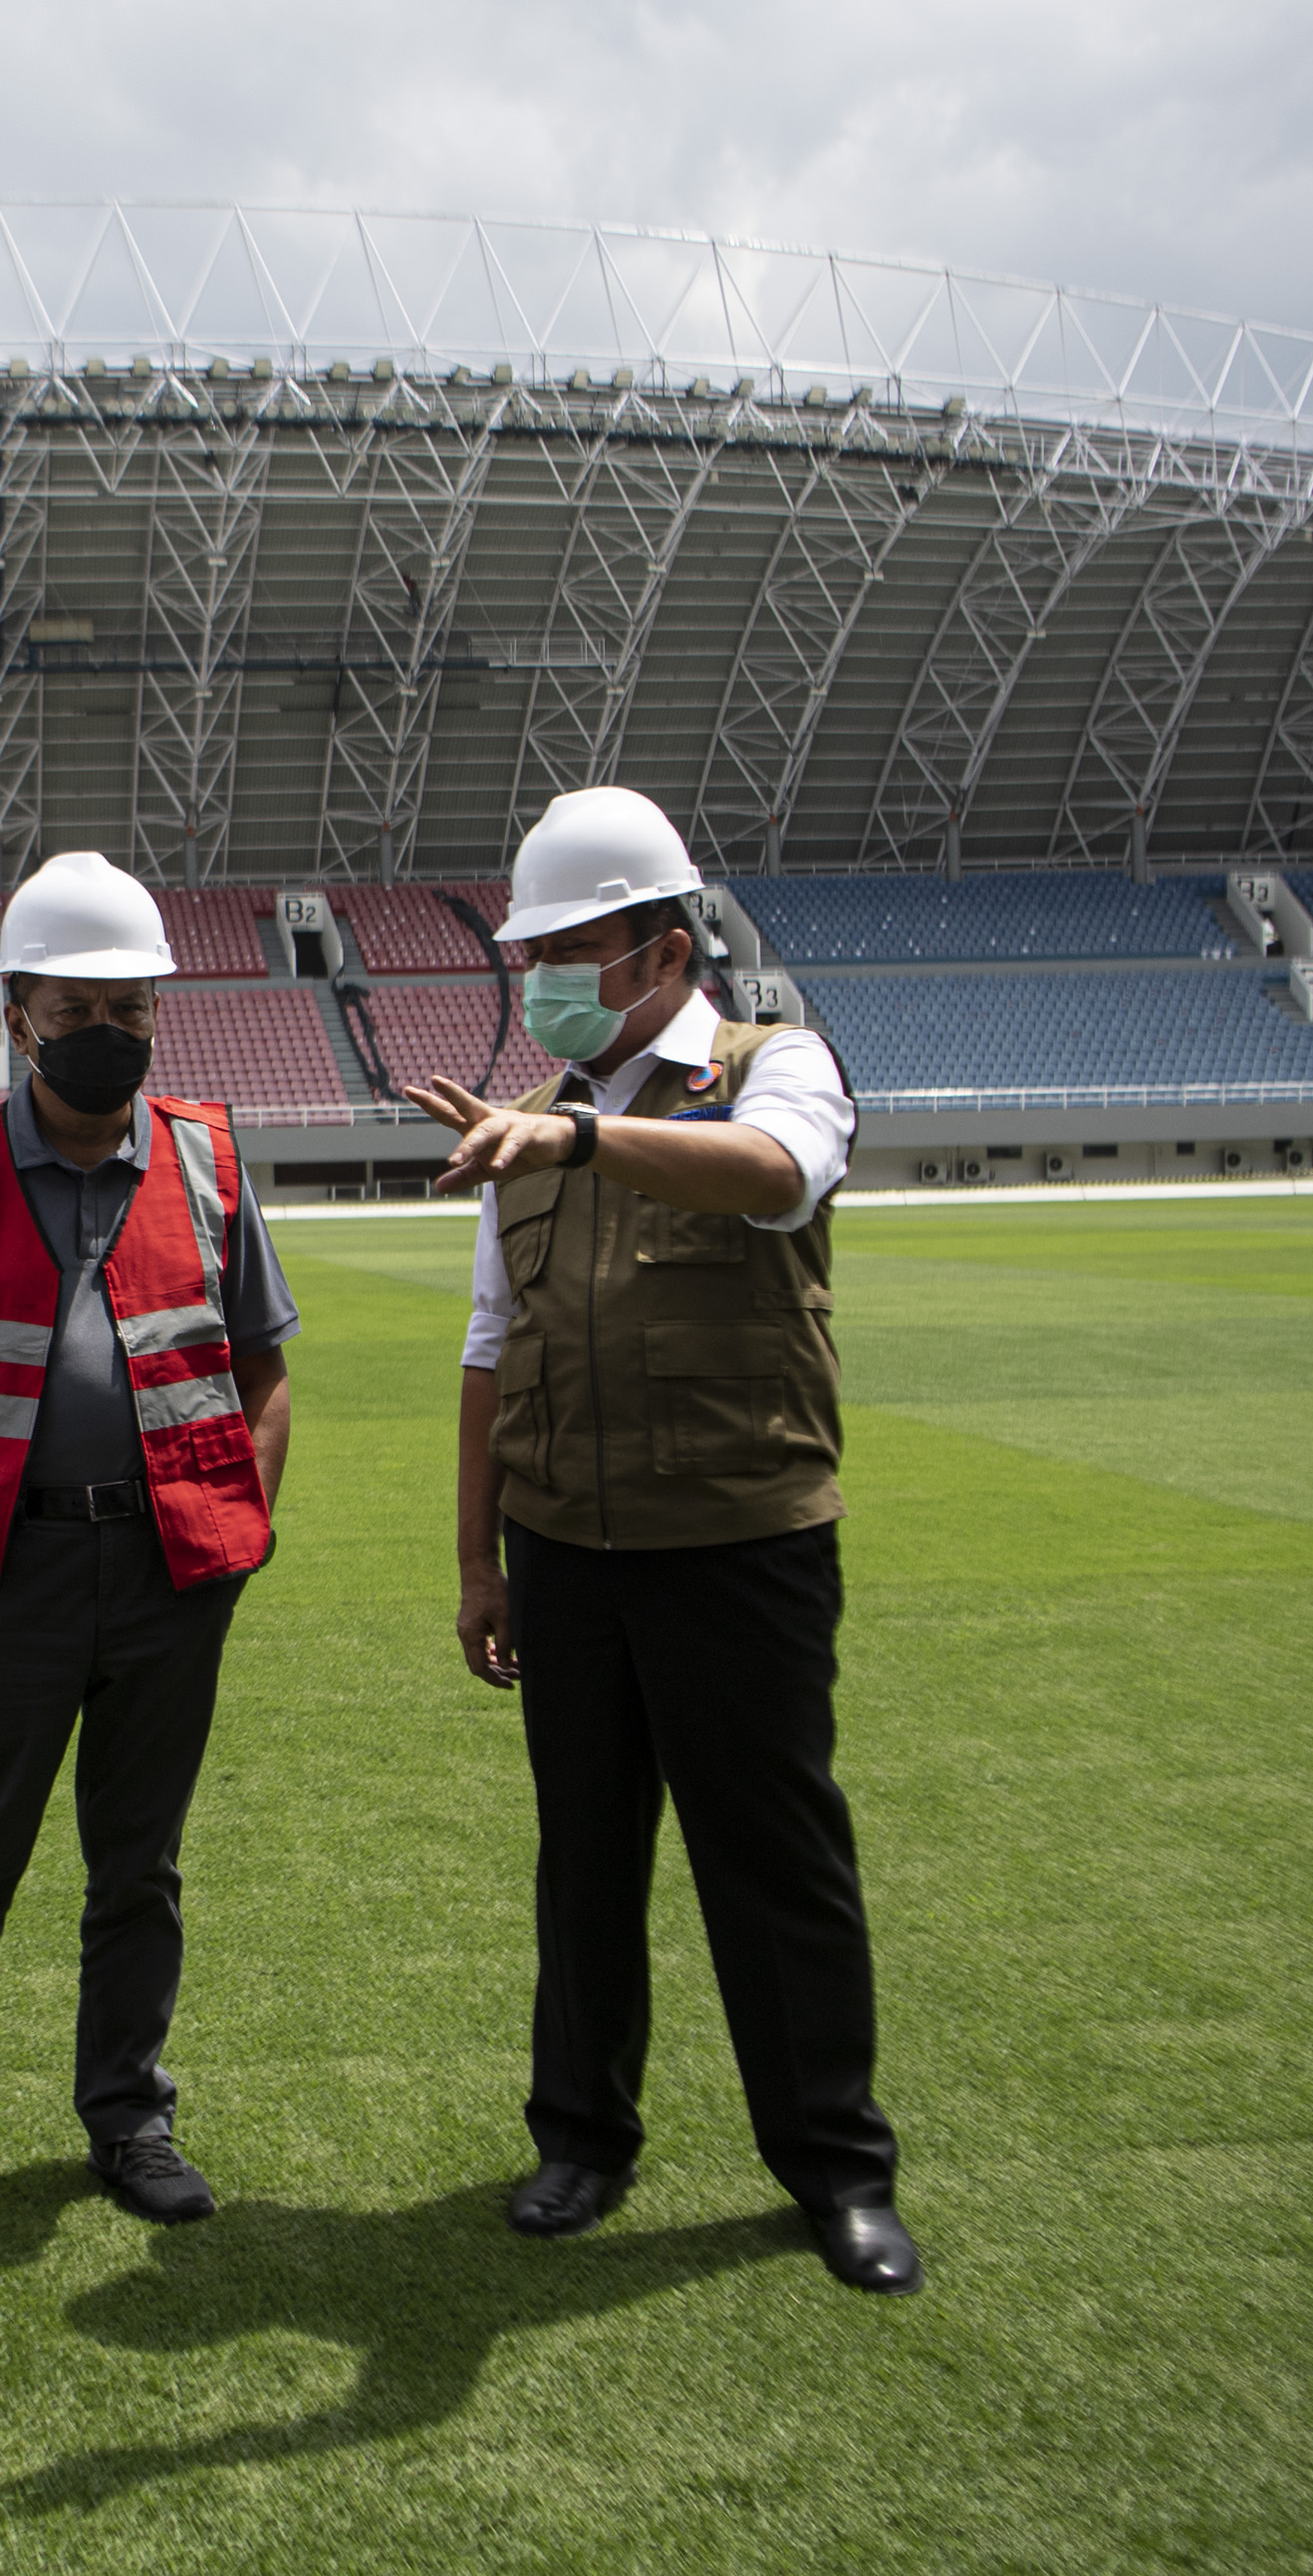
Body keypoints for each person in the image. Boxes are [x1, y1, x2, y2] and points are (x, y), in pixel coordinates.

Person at [401, 785, 922, 2296]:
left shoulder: (778, 1067)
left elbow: (776, 1181)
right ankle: (582, 2136)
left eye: (568, 948)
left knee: (776, 1866)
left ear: (660, 945)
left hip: (740, 1545)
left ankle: (835, 2168)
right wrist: (478, 1561)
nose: (542, 979)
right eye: (530, 955)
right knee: (586, 1860)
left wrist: (581, 1136)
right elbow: (490, 1355)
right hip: (568, 1555)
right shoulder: (533, 1127)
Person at [0, 851, 298, 2237]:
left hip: (169, 1579)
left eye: (134, 1007)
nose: (111, 1031)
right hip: (5, 1578)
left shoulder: (209, 1159)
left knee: (137, 1871)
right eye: (78, 1003)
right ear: (19, 1011)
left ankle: (130, 2120)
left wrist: (238, 1538)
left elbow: (264, 1370)